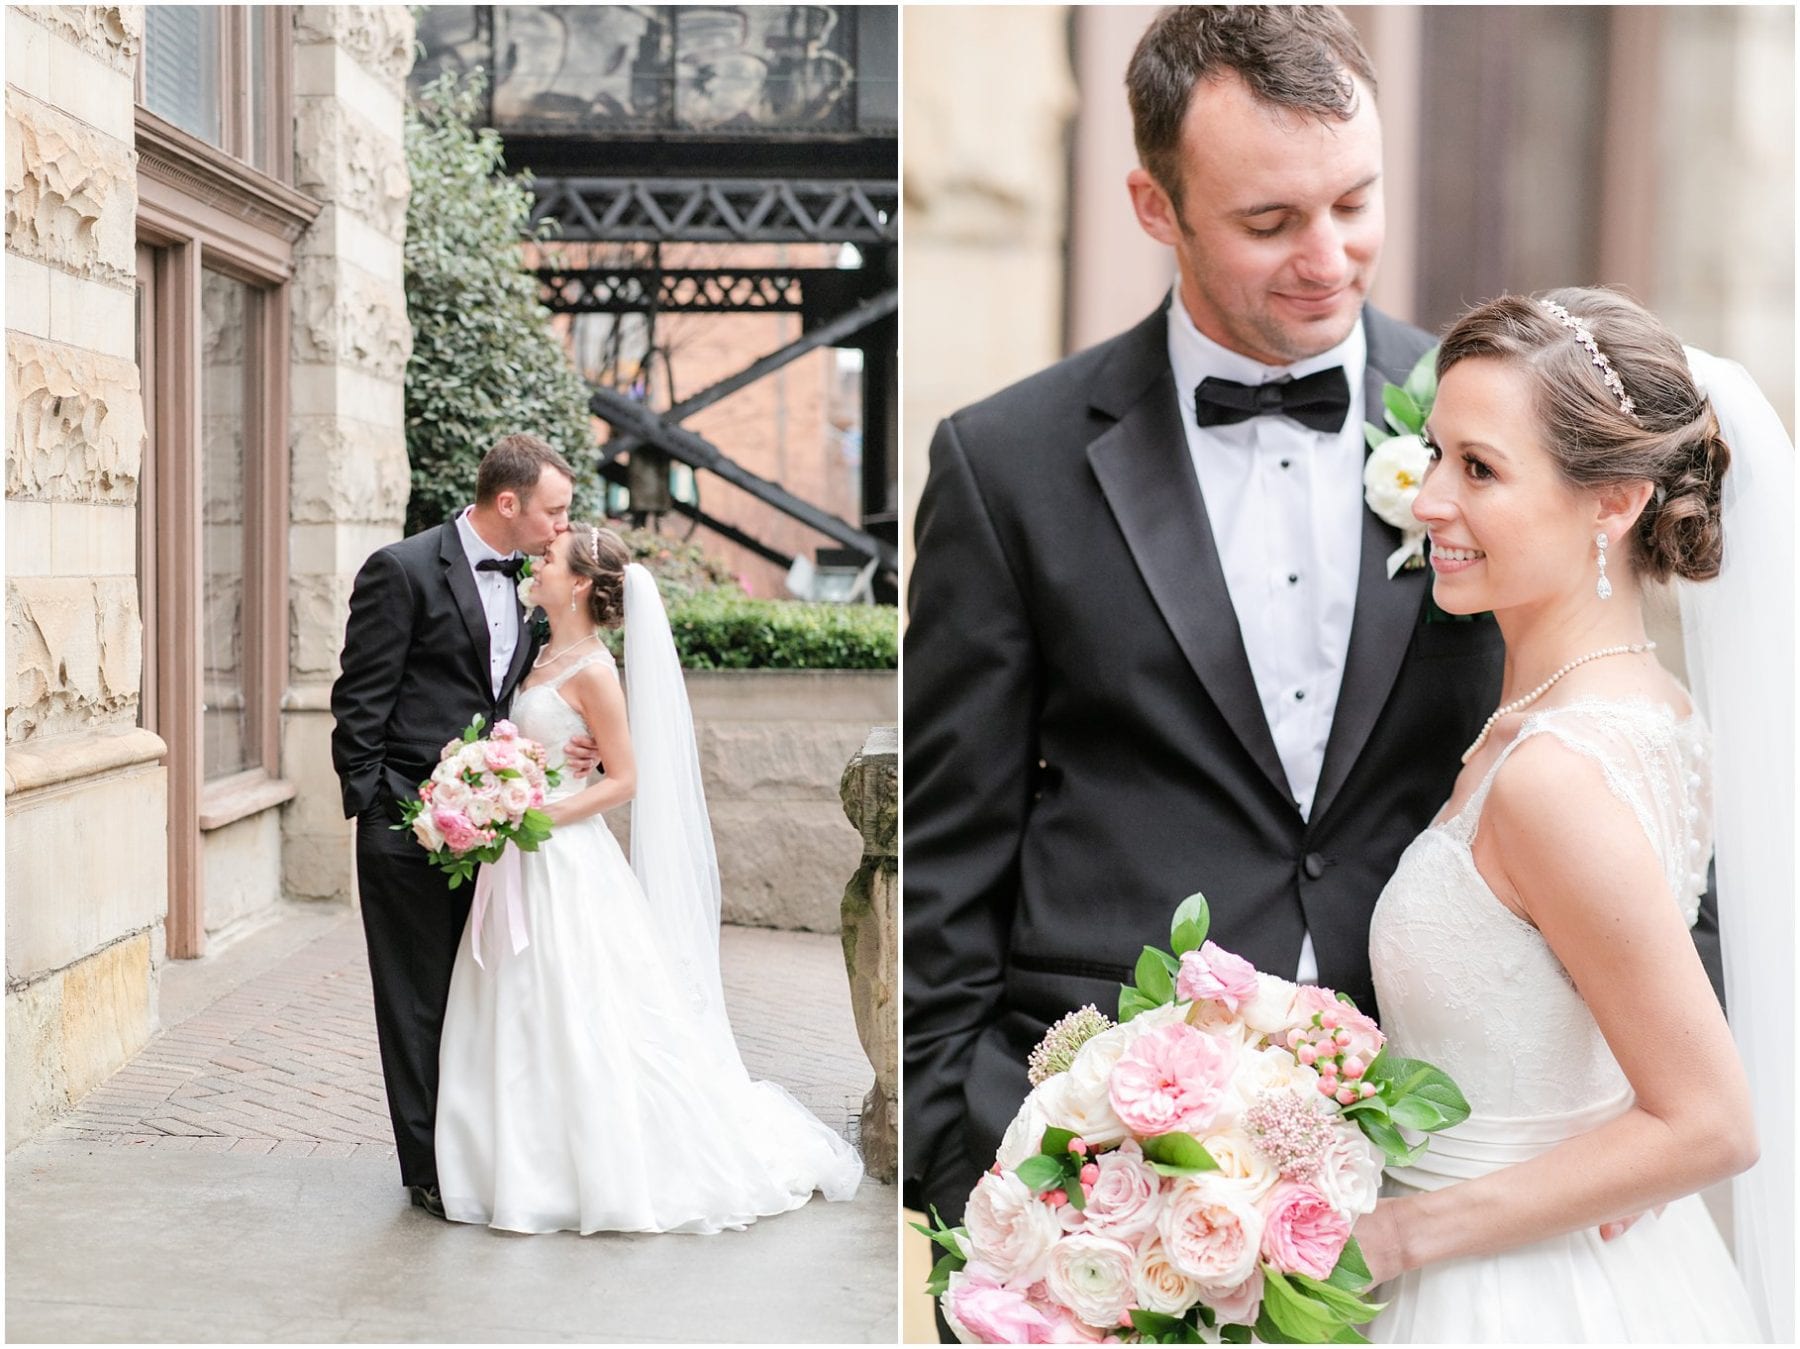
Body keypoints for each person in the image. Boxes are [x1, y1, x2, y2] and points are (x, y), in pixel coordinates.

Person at [900, 4, 1726, 1229]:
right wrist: (962, 1155)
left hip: (1433, 1142)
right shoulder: (1003, 463)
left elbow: (1630, 766)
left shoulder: (1498, 441)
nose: (1329, 256)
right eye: (1270, 221)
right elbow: (947, 854)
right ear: (1153, 206)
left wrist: (1637, 1119)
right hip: (1095, 1154)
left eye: (1354, 202)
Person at [1356, 286, 1783, 1341]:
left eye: (1481, 469)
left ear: (1613, 501)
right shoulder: (1642, 708)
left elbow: (1711, 1122)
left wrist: (1399, 1237)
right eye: (1436, 453)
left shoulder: (1553, 771)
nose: (1428, 501)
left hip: (1505, 1291)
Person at [432, 524, 863, 1233]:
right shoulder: (539, 652)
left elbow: (627, 778)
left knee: (579, 1010)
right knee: (516, 1005)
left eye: (546, 559)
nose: (533, 565)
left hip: (563, 856)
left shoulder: (595, 669)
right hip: (518, 854)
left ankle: (587, 1172)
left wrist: (539, 814)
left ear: (576, 583)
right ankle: (508, 1164)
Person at [329, 434, 599, 1218]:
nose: (561, 527)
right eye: (553, 510)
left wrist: (557, 748)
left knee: (481, 1003)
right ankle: (430, 1172)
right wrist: (385, 812)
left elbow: (518, 692)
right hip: (410, 827)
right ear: (507, 502)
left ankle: (482, 1154)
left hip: (499, 832)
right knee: (414, 1003)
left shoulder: (529, 583)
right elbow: (360, 705)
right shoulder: (402, 569)